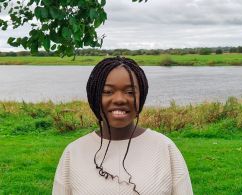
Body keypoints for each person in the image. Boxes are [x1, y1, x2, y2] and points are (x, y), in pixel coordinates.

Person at [52, 57, 193, 195]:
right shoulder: (74, 152)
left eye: (130, 92)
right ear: (94, 97)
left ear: (141, 97)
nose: (119, 99)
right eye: (107, 92)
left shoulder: (165, 148)